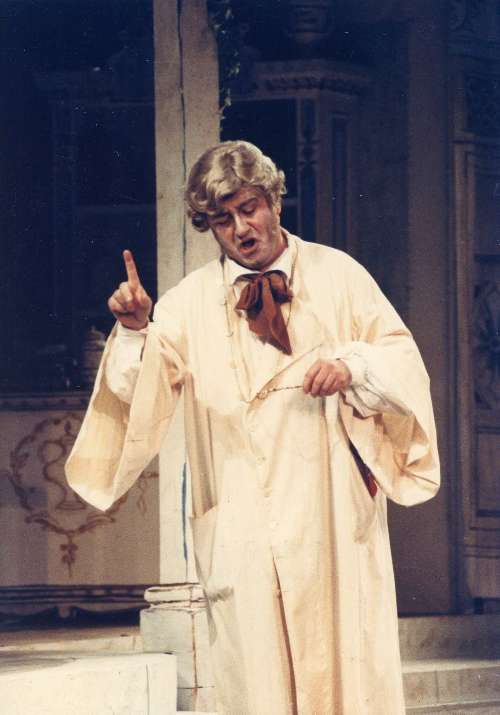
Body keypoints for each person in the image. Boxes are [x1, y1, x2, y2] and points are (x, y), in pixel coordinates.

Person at [66, 140, 440, 714]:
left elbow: (403, 363)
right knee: (256, 681)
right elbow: (140, 394)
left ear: (274, 201)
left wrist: (353, 367)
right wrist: (138, 330)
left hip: (331, 518)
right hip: (243, 521)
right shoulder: (188, 305)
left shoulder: (339, 276)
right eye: (223, 219)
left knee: (344, 672)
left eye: (249, 208)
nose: (241, 229)